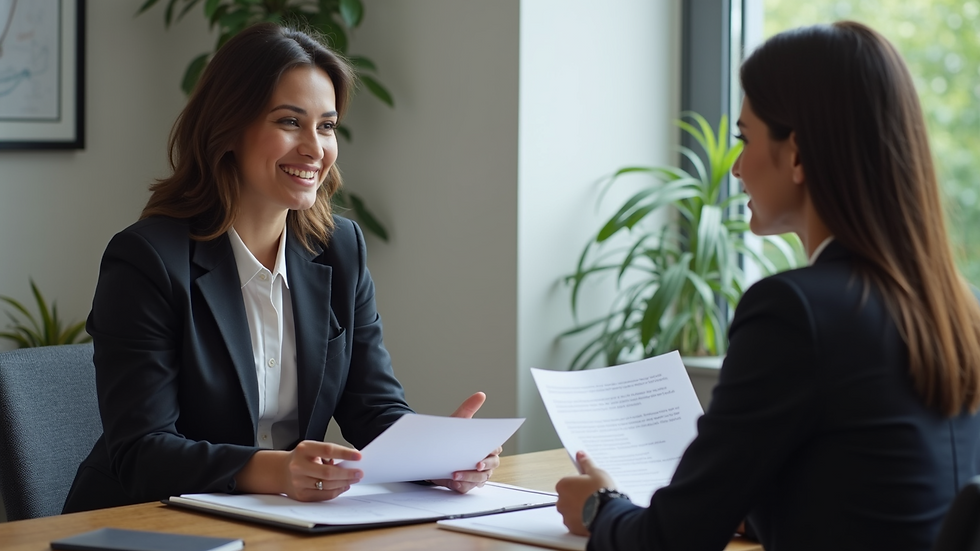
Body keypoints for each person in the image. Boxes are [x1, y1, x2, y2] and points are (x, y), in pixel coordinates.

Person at [555, 20, 980, 551]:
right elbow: (877, 495)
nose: (735, 167)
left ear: (797, 154)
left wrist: (600, 505)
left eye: (745, 138)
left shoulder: (795, 311)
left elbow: (668, 541)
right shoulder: (957, 309)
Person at [63, 23, 499, 513]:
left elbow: (372, 408)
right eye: (290, 122)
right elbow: (143, 454)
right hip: (144, 524)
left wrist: (439, 456)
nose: (315, 148)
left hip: (282, 521)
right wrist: (277, 470)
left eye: (327, 125)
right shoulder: (148, 260)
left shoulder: (340, 249)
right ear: (228, 128)